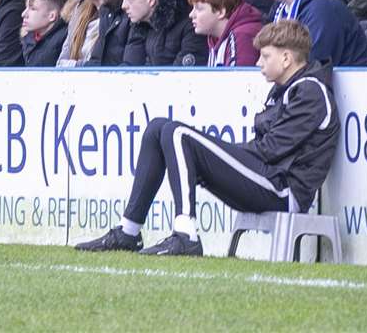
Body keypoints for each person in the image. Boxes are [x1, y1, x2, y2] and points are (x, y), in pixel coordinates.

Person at [74, 18, 338, 258]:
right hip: (267, 178)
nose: (258, 63)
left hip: (282, 190)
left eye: (265, 56)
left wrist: (216, 154)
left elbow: (271, 150)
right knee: (157, 128)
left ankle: (186, 234)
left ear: (286, 58)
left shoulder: (310, 92)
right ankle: (128, 231)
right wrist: (217, 155)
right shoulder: (285, 90)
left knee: (179, 133)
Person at [119, 0, 203, 66]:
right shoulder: (141, 24)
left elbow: (182, 77)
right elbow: (129, 68)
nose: (123, 6)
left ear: (150, 0)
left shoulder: (192, 25)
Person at [188, 0, 264, 66]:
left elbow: (239, 78)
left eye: (199, 9)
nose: (191, 15)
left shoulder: (243, 35)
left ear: (220, 12)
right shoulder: (215, 37)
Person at [19, 0, 70, 66]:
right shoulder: (28, 38)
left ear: (52, 16)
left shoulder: (64, 39)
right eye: (26, 8)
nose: (24, 14)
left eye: (33, 9)